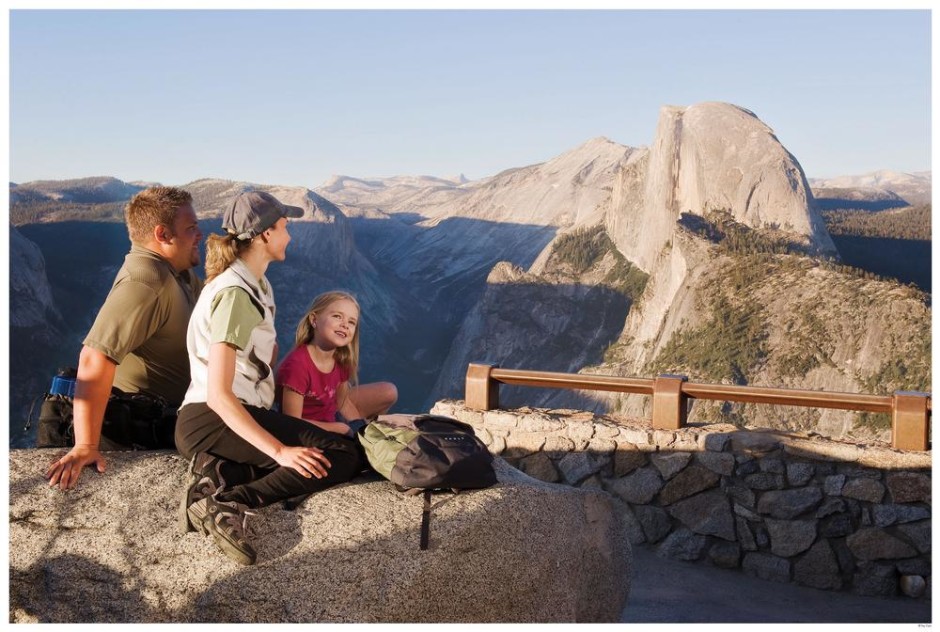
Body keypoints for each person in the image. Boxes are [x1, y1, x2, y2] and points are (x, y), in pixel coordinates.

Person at [175, 190, 363, 566]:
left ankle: (221, 471)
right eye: (283, 227)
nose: (289, 236)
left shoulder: (254, 287)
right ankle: (227, 501)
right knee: (341, 454)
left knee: (324, 450)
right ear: (264, 235)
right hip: (212, 419)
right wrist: (280, 452)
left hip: (224, 417)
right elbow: (218, 395)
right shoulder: (235, 295)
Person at [45, 186, 203, 491]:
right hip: (138, 432)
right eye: (192, 227)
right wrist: (85, 446)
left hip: (169, 423)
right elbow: (95, 357)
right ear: (163, 235)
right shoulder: (146, 281)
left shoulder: (177, 274)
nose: (199, 235)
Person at [276, 291, 397, 437]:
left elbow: (342, 402)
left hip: (331, 418)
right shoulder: (298, 365)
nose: (345, 325)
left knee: (389, 392)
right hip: (307, 429)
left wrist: (357, 428)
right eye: (337, 316)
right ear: (314, 320)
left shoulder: (341, 359)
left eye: (351, 322)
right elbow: (291, 423)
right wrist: (339, 429)